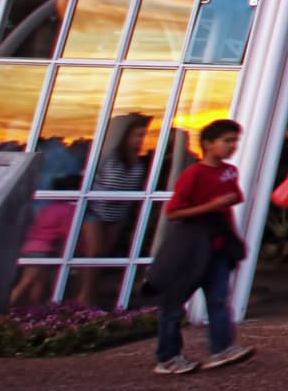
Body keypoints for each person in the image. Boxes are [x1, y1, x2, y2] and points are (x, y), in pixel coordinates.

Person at [146, 120, 252, 376]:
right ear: (207, 144)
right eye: (226, 141)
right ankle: (168, 357)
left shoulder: (229, 171)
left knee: (218, 299)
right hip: (192, 245)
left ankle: (222, 348)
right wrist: (212, 206)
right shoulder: (193, 174)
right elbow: (173, 212)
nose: (232, 146)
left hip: (217, 245)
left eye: (234, 141)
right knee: (174, 302)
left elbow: (235, 195)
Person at [82, 113, 152, 260]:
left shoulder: (138, 165)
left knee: (104, 256)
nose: (141, 140)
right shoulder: (110, 156)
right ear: (126, 136)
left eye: (143, 136)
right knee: (93, 253)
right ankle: (84, 284)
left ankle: (95, 283)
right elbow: (88, 178)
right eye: (137, 135)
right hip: (95, 211)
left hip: (117, 215)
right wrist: (106, 195)